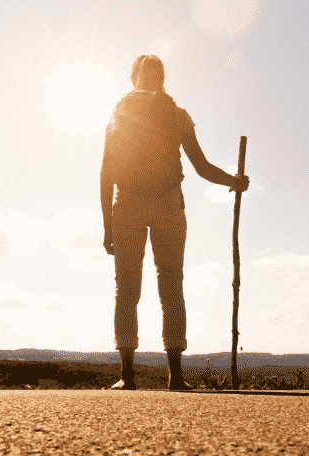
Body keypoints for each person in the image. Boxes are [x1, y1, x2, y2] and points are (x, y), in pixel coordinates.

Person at [100, 55, 250, 391]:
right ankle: (171, 375)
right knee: (167, 285)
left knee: (131, 287)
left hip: (136, 203)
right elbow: (200, 166)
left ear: (135, 77)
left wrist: (108, 225)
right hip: (156, 202)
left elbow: (106, 172)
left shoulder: (122, 115)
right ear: (157, 79)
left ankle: (133, 375)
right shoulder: (164, 115)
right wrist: (233, 180)